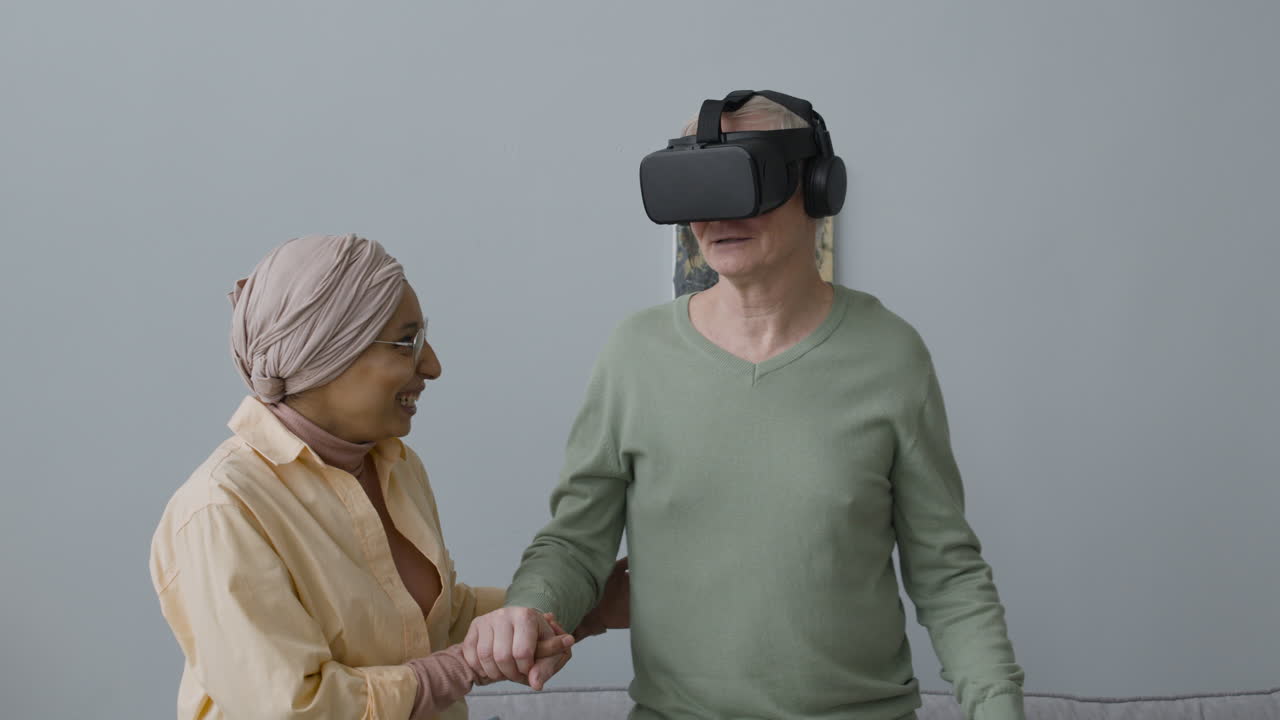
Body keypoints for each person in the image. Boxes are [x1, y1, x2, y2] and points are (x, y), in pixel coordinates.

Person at [463, 94, 1026, 719]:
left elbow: (947, 573)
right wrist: (528, 607)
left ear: (816, 188)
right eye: (698, 188)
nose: (717, 215)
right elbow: (574, 544)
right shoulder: (634, 355)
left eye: (744, 181)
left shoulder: (891, 354)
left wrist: (998, 705)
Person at [149, 234, 594, 720]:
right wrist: (462, 668)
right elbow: (294, 708)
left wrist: (577, 603)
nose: (433, 365)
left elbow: (428, 622)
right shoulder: (221, 510)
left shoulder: (396, 465)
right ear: (325, 354)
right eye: (407, 343)